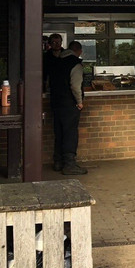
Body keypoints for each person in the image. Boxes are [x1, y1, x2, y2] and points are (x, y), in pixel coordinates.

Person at [48, 40, 86, 174]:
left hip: (56, 102)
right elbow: (75, 86)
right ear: (79, 51)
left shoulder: (57, 62)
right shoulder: (75, 64)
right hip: (69, 104)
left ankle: (58, 162)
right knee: (70, 133)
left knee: (59, 133)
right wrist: (79, 102)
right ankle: (69, 165)